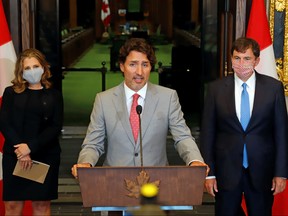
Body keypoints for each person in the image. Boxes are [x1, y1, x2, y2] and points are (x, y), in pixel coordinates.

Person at [71, 38, 208, 215]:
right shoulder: (103, 100)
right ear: (122, 66)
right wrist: (85, 163)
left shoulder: (168, 97)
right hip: (114, 189)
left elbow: (182, 137)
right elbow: (93, 144)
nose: (139, 72)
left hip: (157, 188)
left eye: (145, 64)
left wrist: (194, 160)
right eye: (133, 64)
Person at [200, 37, 288, 215]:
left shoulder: (273, 88)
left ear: (256, 61)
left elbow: (281, 133)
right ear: (231, 59)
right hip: (226, 172)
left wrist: (281, 173)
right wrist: (209, 173)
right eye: (236, 58)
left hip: (262, 171)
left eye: (247, 59)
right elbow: (208, 133)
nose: (241, 63)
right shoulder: (216, 89)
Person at [0, 48, 63, 216]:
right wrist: (22, 151)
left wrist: (30, 147)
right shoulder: (11, 93)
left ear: (44, 67)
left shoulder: (54, 95)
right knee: (12, 206)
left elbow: (55, 127)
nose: (32, 71)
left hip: (44, 155)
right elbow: (4, 123)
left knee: (41, 206)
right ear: (21, 71)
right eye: (27, 68)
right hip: (15, 156)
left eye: (35, 66)